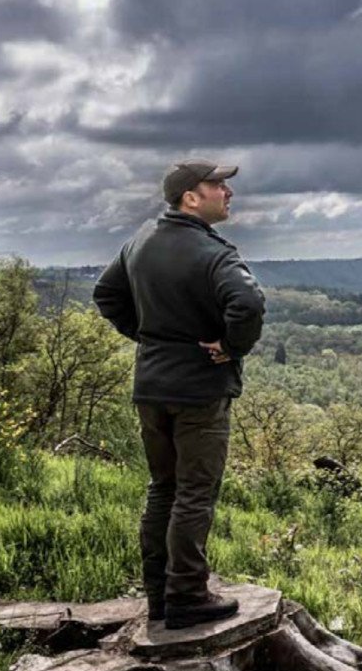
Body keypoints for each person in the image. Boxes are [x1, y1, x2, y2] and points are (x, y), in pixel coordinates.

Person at [94, 159, 266, 630]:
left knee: (162, 489)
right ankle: (188, 594)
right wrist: (230, 348)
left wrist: (151, 339)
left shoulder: (140, 241)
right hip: (199, 392)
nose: (228, 193)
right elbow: (248, 304)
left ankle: (159, 598)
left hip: (151, 385)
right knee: (195, 492)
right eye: (218, 185)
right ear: (191, 197)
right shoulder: (215, 253)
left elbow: (106, 295)